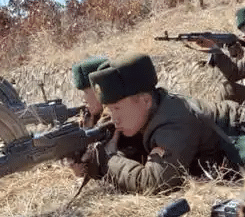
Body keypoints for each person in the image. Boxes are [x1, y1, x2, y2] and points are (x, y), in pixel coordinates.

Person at [75, 53, 231, 194]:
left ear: (146, 101)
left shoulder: (174, 122)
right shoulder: (148, 110)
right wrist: (90, 162)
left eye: (117, 108)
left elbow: (152, 184)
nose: (115, 119)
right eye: (110, 109)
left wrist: (108, 160)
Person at [71, 57, 109, 128]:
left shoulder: (112, 122)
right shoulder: (93, 117)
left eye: (85, 92)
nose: (83, 98)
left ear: (100, 90)